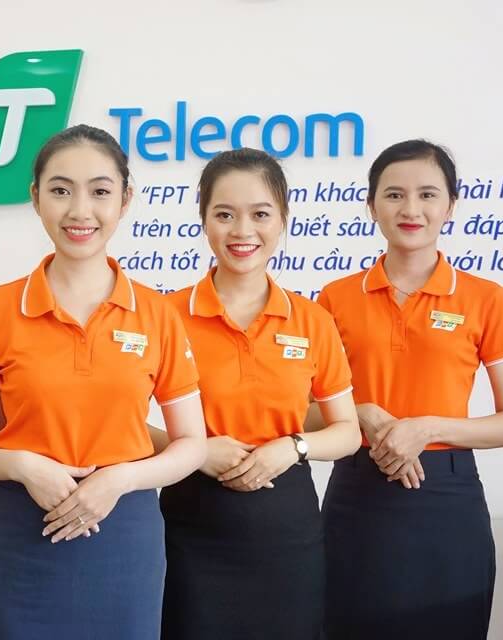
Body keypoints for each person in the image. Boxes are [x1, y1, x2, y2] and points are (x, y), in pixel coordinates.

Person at [0, 124, 207, 639]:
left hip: (123, 530)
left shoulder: (157, 314)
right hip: (20, 528)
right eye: (61, 190)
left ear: (125, 200)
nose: (80, 210)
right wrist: (21, 466)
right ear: (35, 196)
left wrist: (120, 479)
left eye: (100, 191)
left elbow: (193, 444)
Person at [313, 139, 503, 639]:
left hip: (447, 497)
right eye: (394, 195)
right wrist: (363, 413)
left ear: (450, 205)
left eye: (428, 194)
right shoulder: (334, 299)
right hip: (359, 491)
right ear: (371, 206)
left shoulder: (485, 299)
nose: (411, 209)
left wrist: (427, 429)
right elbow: (301, 409)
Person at [151, 148, 360, 639]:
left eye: (260, 214)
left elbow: (347, 431)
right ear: (203, 219)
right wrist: (196, 449)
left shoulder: (312, 320)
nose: (242, 231)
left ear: (283, 218)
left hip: (286, 529)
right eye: (224, 214)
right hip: (191, 523)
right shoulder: (164, 316)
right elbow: (118, 421)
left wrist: (292, 447)